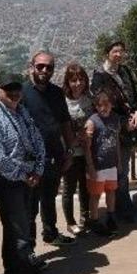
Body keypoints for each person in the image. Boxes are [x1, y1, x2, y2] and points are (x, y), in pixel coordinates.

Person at [0, 74, 48, 274]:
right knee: (18, 231)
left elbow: (38, 140)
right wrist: (24, 175)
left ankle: (14, 271)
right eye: (7, 89)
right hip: (8, 182)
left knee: (19, 228)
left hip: (28, 178)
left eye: (16, 88)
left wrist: (38, 170)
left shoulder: (23, 111)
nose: (13, 93)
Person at [21, 51, 77, 247]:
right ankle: (28, 248)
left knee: (49, 198)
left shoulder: (56, 93)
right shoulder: (21, 93)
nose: (44, 70)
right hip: (31, 159)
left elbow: (65, 122)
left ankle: (50, 233)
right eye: (40, 66)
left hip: (54, 154)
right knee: (30, 205)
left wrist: (69, 151)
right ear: (32, 67)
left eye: (49, 67)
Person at [90, 40, 137, 223]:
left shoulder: (124, 71)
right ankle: (123, 208)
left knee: (122, 168)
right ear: (107, 53)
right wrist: (122, 122)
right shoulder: (99, 76)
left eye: (121, 51)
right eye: (115, 51)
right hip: (112, 130)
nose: (119, 55)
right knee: (118, 170)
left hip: (128, 127)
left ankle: (121, 206)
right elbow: (101, 105)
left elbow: (134, 94)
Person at [83, 91, 122, 236]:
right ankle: (94, 220)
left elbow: (116, 141)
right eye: (99, 105)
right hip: (97, 165)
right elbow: (86, 146)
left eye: (106, 104)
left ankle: (111, 216)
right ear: (95, 106)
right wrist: (90, 166)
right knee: (95, 195)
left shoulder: (115, 119)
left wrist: (118, 161)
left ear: (111, 104)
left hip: (111, 164)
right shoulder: (92, 122)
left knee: (111, 191)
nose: (103, 108)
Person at [62, 63, 92, 236]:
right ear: (68, 82)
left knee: (85, 186)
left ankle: (85, 216)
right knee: (69, 187)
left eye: (81, 79)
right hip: (70, 151)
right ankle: (70, 222)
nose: (78, 83)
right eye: (73, 80)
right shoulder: (62, 101)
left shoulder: (89, 99)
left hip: (87, 151)